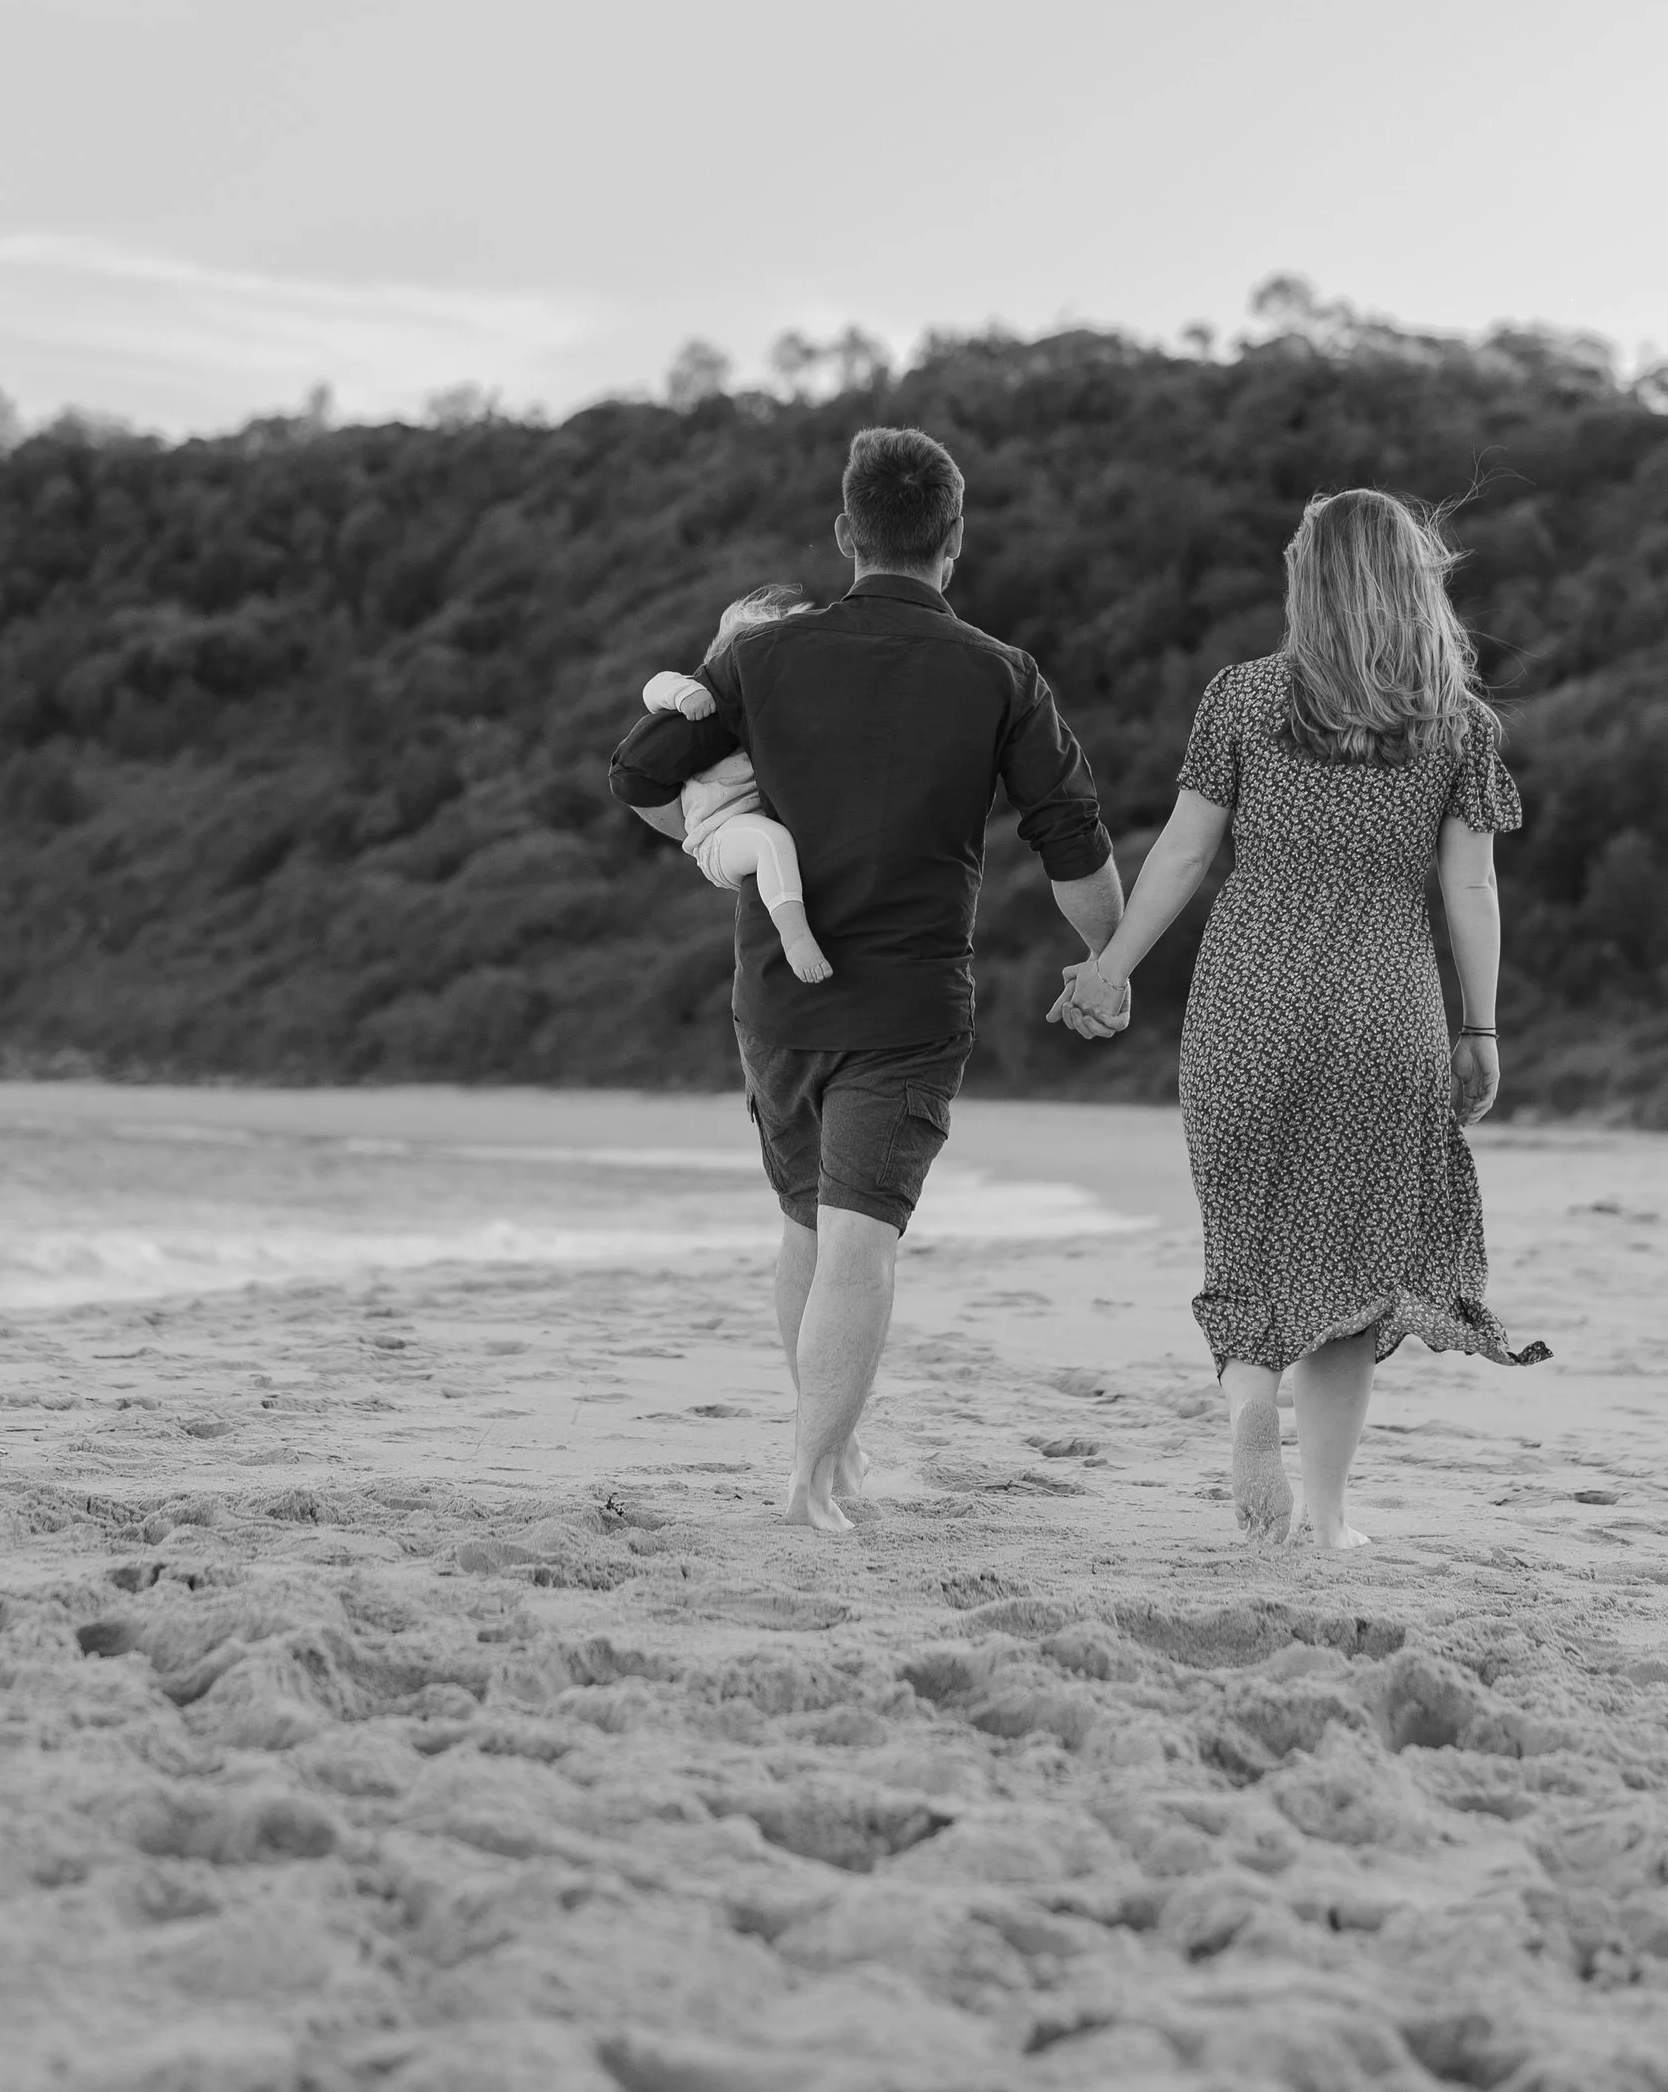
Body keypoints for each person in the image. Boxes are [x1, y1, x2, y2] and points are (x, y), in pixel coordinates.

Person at [610, 424, 1124, 1532]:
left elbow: (640, 773)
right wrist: (1107, 959)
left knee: (808, 1227)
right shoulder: (1000, 673)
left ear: (847, 534)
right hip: (907, 1001)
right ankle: (811, 1475)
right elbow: (1069, 837)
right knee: (857, 1236)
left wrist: (713, 842)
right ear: (953, 544)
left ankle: (824, 1461)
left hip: (777, 1001)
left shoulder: (756, 658)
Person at [1049, 485, 1547, 1550]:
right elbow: (1472, 891)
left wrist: (1111, 967)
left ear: (1306, 584)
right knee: (1354, 1275)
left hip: (1248, 996)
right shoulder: (1453, 723)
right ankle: (1322, 1518)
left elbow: (1182, 853)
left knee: (1250, 1245)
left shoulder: (1242, 698)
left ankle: (1245, 1410)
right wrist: (1481, 1028)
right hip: (1383, 1005)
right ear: (1413, 585)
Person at [639, 586, 832, 986]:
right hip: (716, 838)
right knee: (770, 841)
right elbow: (655, 686)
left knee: (773, 840)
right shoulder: (704, 698)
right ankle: (795, 937)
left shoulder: (774, 718)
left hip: (744, 826)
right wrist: (685, 694)